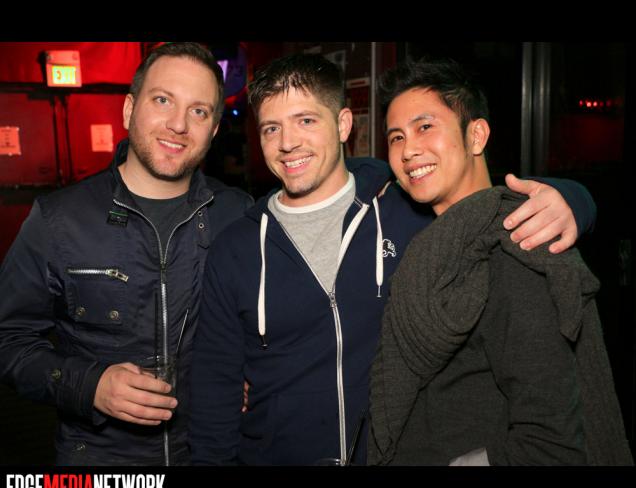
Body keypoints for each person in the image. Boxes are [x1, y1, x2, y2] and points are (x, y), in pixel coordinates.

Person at [188, 53, 596, 466]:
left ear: (344, 125)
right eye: (271, 128)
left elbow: (478, 201)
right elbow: (213, 394)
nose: (287, 142)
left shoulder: (404, 211)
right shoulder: (236, 248)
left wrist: (572, 200)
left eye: (306, 120)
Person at [368, 57, 633, 466]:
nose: (409, 150)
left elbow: (551, 445)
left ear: (476, 135)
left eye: (425, 127)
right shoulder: (426, 239)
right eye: (396, 137)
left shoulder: (517, 249)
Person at [0, 42, 252, 466]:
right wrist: (90, 386)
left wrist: (253, 371)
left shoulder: (238, 214)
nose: (178, 124)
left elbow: (268, 323)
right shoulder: (59, 219)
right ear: (129, 109)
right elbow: (7, 340)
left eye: (198, 111)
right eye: (162, 100)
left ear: (212, 130)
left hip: (213, 452)